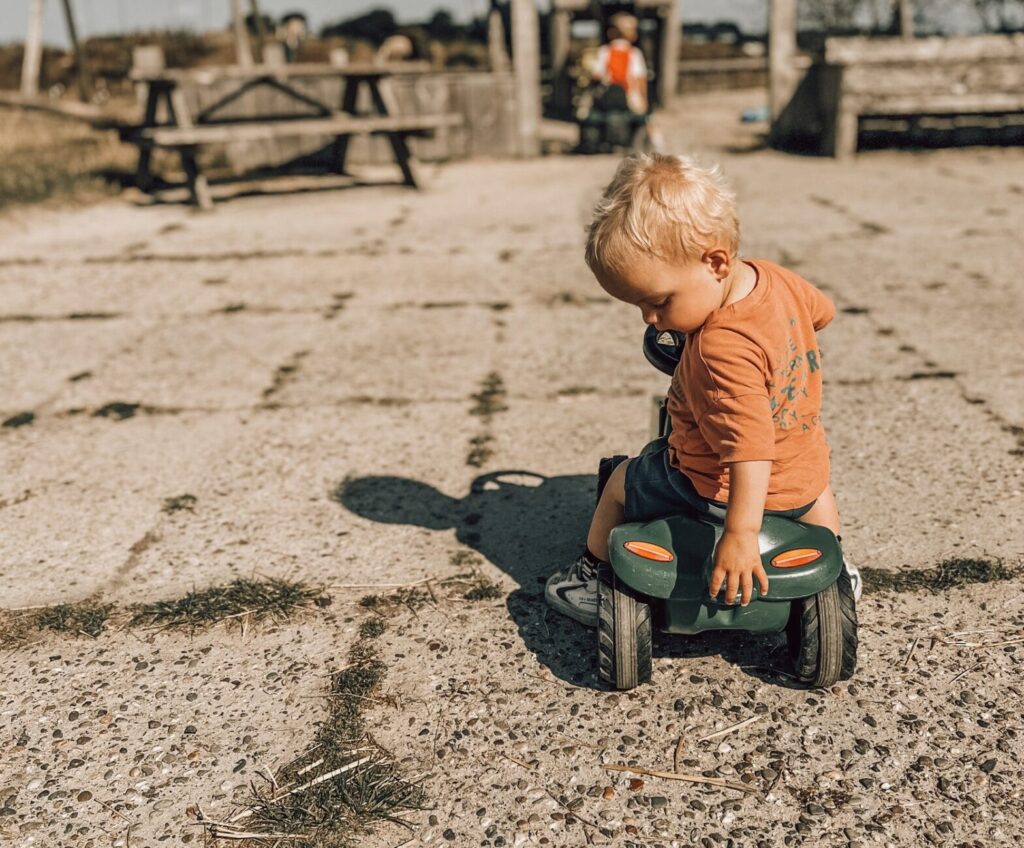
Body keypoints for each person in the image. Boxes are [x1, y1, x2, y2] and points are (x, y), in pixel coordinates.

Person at [545, 153, 862, 627]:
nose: (650, 319)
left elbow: (748, 450)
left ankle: (592, 576)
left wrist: (740, 531)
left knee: (619, 482)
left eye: (658, 302)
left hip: (713, 487)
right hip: (802, 473)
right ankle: (837, 564)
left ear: (714, 262)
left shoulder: (719, 348)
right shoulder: (773, 278)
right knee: (818, 491)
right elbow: (823, 312)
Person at [592, 12, 648, 115]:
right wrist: (644, 100)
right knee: (643, 119)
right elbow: (640, 78)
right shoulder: (634, 53)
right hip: (630, 94)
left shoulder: (604, 51)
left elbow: (596, 74)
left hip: (607, 95)